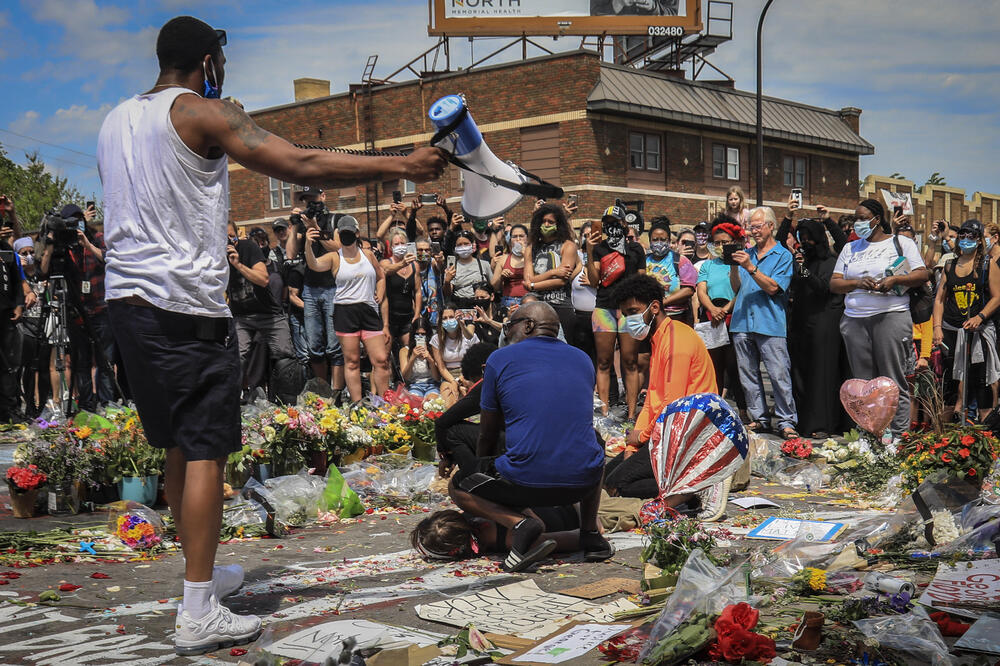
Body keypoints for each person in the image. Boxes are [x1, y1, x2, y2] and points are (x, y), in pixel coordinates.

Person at [97, 15, 445, 654]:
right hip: (183, 307)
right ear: (208, 59)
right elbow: (301, 160)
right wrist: (406, 165)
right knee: (205, 450)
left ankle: (196, 582)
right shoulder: (201, 112)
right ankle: (198, 610)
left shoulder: (116, 118)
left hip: (127, 303)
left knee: (176, 445)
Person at [444, 302, 613, 571]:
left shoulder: (500, 359)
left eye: (510, 328)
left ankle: (519, 523)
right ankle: (590, 533)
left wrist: (483, 479)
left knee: (458, 484)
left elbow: (487, 433)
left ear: (528, 326)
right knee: (594, 445)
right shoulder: (582, 358)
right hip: (582, 482)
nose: (507, 335)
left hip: (525, 483)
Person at [609, 275, 717, 503]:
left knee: (621, 485)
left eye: (632, 312)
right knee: (605, 478)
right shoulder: (659, 338)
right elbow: (651, 401)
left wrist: (643, 437)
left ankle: (695, 486)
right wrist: (633, 442)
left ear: (655, 307)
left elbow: (671, 409)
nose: (629, 319)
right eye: (625, 314)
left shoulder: (676, 340)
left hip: (686, 437)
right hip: (664, 434)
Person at [830, 199, 930, 436]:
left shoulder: (900, 243)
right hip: (855, 319)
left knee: (892, 382)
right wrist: (856, 283)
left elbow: (922, 274)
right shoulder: (850, 248)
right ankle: (870, 437)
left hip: (890, 316)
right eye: (856, 218)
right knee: (863, 385)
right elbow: (834, 283)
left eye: (863, 218)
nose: (858, 223)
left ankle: (897, 438)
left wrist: (894, 280)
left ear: (877, 218)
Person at [39, 203, 117, 412]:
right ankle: (85, 405)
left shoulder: (98, 238)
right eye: (70, 222)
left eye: (77, 219)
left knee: (105, 360)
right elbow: (43, 272)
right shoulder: (63, 246)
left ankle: (107, 404)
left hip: (101, 308)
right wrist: (50, 245)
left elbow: (110, 260)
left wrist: (87, 245)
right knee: (81, 362)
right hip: (77, 312)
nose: (75, 225)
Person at [729, 207, 798, 439]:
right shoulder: (747, 252)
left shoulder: (783, 256)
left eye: (758, 226)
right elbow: (737, 288)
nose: (754, 230)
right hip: (742, 321)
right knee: (747, 374)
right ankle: (760, 418)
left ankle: (786, 420)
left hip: (769, 322)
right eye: (751, 226)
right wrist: (733, 266)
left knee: (778, 373)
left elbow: (773, 288)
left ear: (771, 226)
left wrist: (750, 267)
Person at [305, 215, 390, 404]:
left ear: (357, 233)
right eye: (343, 234)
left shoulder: (367, 255)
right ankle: (357, 404)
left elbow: (381, 275)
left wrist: (380, 292)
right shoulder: (335, 257)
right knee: (351, 361)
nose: (347, 237)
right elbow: (314, 265)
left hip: (368, 309)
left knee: (381, 359)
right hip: (345, 312)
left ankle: (385, 405)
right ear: (338, 235)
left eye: (349, 233)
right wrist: (308, 245)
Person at [932, 219, 1000, 421]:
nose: (965, 240)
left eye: (971, 236)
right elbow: (939, 300)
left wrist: (980, 317)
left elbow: (997, 297)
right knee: (950, 383)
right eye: (962, 235)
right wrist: (937, 327)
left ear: (979, 240)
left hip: (978, 332)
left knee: (981, 381)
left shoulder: (987, 265)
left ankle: (985, 435)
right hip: (951, 329)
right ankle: (946, 437)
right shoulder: (949, 265)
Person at [788, 217, 847, 438]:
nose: (805, 243)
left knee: (821, 374)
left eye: (808, 238)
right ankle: (804, 421)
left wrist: (802, 270)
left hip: (824, 323)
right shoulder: (804, 263)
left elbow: (823, 287)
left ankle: (823, 423)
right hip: (802, 322)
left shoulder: (830, 262)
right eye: (801, 239)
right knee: (801, 372)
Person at [587, 205, 647, 418]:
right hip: (604, 308)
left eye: (615, 222)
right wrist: (588, 250)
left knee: (630, 362)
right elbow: (594, 281)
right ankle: (604, 413)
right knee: (603, 362)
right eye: (607, 223)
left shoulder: (636, 249)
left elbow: (642, 282)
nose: (611, 227)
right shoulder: (600, 248)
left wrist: (629, 305)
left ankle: (631, 415)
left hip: (629, 310)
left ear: (624, 224)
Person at [225, 221, 293, 397]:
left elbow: (263, 279)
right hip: (241, 316)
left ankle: (287, 402)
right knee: (235, 357)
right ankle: (236, 400)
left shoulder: (248, 247)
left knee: (285, 358)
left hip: (268, 313)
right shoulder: (213, 254)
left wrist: (238, 265)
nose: (227, 241)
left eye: (231, 236)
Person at [696, 215, 747, 421]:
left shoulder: (740, 264)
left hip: (732, 318)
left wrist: (725, 309)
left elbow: (740, 290)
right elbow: (701, 291)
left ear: (733, 243)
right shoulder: (708, 265)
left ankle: (743, 409)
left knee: (734, 367)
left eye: (724, 242)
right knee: (713, 367)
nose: (720, 246)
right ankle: (714, 407)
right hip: (712, 319)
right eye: (716, 242)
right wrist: (712, 309)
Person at [411, 507, 580, 562]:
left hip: (589, 508)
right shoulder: (476, 506)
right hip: (570, 488)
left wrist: (592, 520)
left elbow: (582, 537)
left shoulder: (513, 539)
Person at [434, 342, 498, 470]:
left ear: (484, 369)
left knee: (453, 430)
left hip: (506, 442)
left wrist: (447, 456)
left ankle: (470, 475)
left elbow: (442, 422)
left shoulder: (486, 384)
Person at [523, 204, 578, 342]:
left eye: (551, 222)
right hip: (536, 303)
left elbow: (561, 281)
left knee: (565, 346)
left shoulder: (568, 246)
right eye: (543, 221)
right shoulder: (530, 248)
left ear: (558, 224)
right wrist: (553, 272)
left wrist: (534, 285)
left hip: (560, 302)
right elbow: (527, 279)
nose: (546, 224)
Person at [15, 237, 51, 419]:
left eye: (31, 252)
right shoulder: (18, 276)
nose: (28, 256)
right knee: (27, 369)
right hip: (25, 327)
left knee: (44, 368)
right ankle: (27, 406)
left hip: (44, 325)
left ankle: (42, 405)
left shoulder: (41, 273)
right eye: (24, 253)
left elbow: (46, 255)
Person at [645, 220, 696, 326]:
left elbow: (689, 290)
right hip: (648, 318)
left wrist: (663, 302)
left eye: (663, 239)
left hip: (676, 318)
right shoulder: (643, 261)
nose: (659, 243)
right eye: (655, 240)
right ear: (650, 241)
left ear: (669, 241)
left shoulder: (680, 261)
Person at [381, 228, 422, 350]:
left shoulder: (414, 265)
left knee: (410, 350)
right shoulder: (385, 262)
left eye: (402, 243)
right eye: (396, 244)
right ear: (391, 247)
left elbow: (418, 291)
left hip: (407, 316)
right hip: (389, 317)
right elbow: (386, 271)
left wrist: (417, 314)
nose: (400, 246)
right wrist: (402, 263)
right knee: (385, 355)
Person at [430, 304, 479, 405]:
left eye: (451, 317)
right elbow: (441, 367)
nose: (448, 320)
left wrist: (461, 380)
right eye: (445, 318)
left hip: (468, 373)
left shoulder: (468, 336)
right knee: (448, 395)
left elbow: (476, 360)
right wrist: (454, 382)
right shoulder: (436, 339)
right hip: (449, 375)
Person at [0, 227, 24, 422]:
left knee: (9, 364)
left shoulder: (6, 251)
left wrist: (19, 304)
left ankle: (9, 409)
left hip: (6, 313)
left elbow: (17, 281)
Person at [571, 222, 598, 365]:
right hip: (579, 318)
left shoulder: (603, 257)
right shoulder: (577, 258)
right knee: (581, 359)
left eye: (591, 235)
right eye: (585, 235)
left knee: (600, 359)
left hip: (599, 317)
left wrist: (594, 281)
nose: (588, 239)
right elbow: (568, 237)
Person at [444, 231, 491, 308]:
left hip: (480, 305)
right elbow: (447, 293)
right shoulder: (452, 267)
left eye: (466, 244)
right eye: (459, 245)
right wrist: (447, 281)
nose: (463, 247)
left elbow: (494, 286)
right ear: (455, 248)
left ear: (473, 245)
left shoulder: (484, 264)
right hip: (460, 305)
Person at [400, 318, 442, 400]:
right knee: (415, 402)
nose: (420, 337)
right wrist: (412, 358)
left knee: (432, 401)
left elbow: (437, 378)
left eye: (423, 334)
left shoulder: (434, 349)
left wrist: (430, 360)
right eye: (417, 334)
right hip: (414, 385)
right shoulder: (405, 351)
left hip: (432, 384)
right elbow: (405, 377)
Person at [491, 223, 528, 309]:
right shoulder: (504, 258)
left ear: (527, 238)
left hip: (529, 300)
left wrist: (526, 255)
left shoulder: (533, 257)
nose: (518, 239)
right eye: (514, 237)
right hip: (509, 301)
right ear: (510, 239)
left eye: (521, 236)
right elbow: (494, 287)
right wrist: (501, 277)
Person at [416, 236, 443, 327]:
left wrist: (440, 262)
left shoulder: (433, 263)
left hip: (434, 315)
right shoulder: (410, 266)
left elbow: (440, 267)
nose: (424, 253)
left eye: (427, 250)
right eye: (420, 250)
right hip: (417, 315)